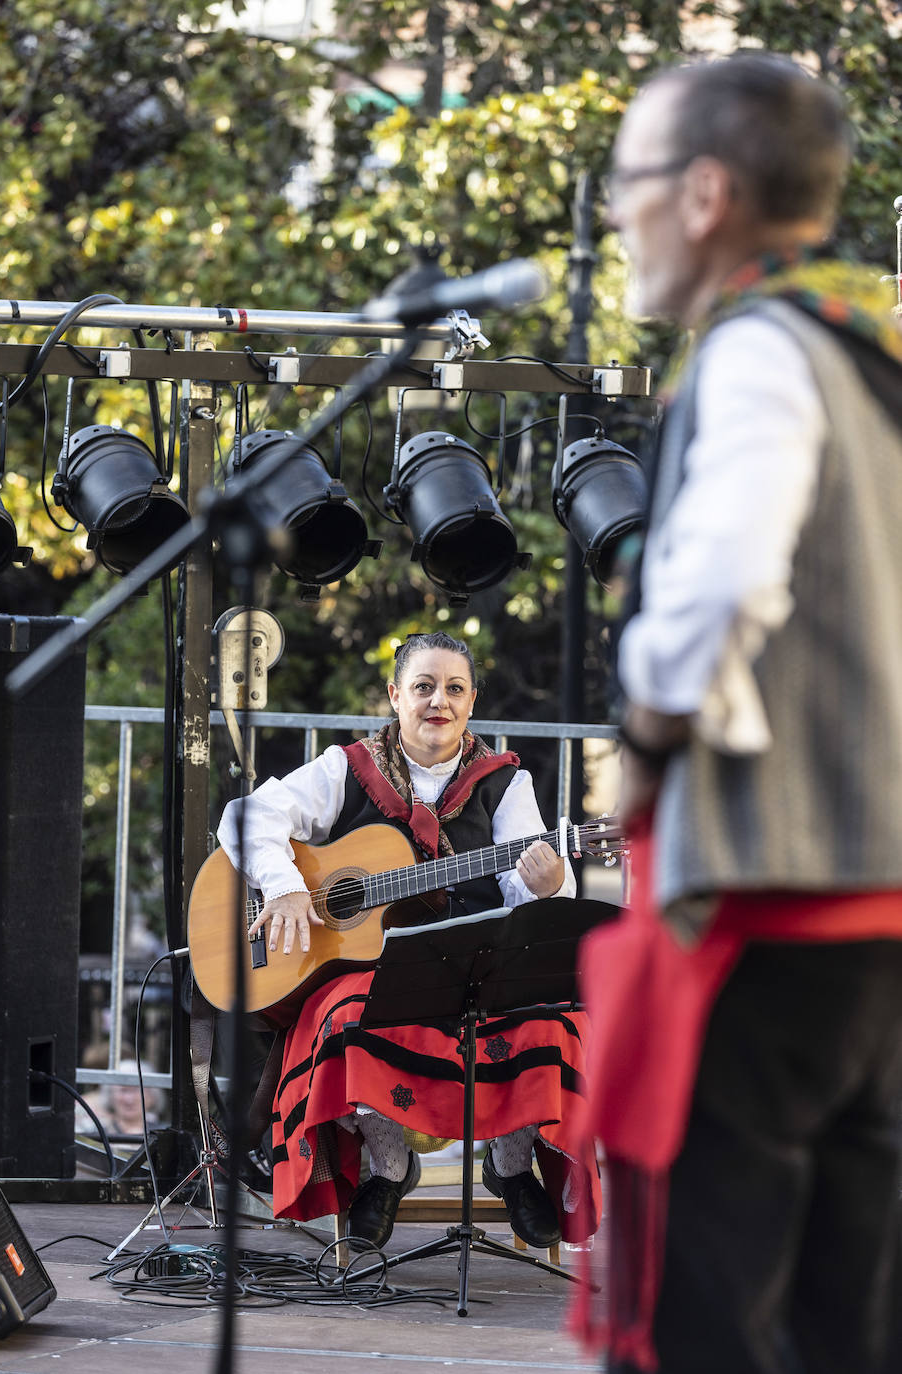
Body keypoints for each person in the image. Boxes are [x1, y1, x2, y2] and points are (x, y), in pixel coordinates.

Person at [573, 51, 902, 1374]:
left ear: (705, 195)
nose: (617, 212)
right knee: (848, 1324)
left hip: (768, 906)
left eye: (628, 181)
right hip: (879, 909)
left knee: (709, 1319)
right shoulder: (873, 347)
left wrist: (647, 739)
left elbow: (720, 579)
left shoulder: (764, 348)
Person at [217, 630, 600, 1251]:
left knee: (552, 1019)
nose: (438, 701)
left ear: (471, 701)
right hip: (373, 968)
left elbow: (529, 897)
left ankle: (509, 1167)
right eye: (424, 687)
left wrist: (549, 883)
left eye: (454, 689)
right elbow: (246, 815)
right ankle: (389, 1168)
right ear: (396, 696)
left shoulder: (504, 783)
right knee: (345, 1017)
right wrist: (285, 887)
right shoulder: (349, 768)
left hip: (477, 963)